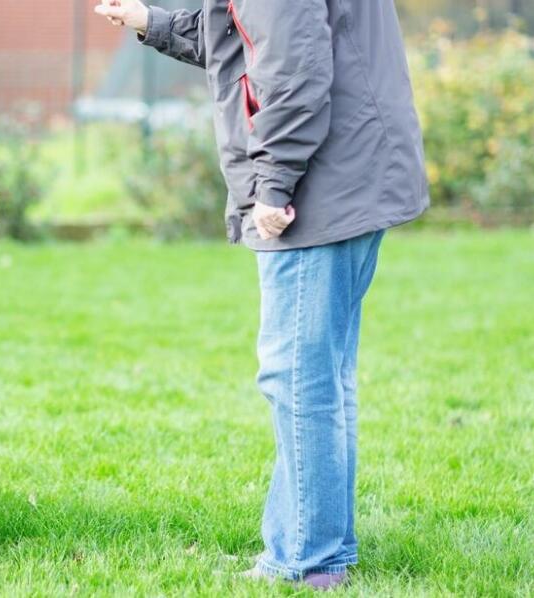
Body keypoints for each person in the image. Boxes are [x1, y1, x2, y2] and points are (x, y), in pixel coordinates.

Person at [94, 0, 428, 590]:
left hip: (320, 187)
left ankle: (308, 560)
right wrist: (153, 22)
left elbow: (294, 68)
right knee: (322, 378)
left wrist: (272, 184)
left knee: (298, 379)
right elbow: (243, 34)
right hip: (351, 174)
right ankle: (316, 548)